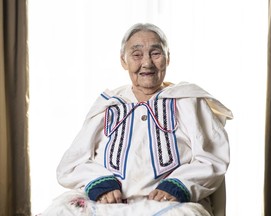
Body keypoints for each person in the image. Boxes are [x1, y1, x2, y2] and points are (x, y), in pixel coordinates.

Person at [41, 23, 233, 216]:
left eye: (155, 53)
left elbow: (212, 157)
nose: (147, 63)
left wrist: (177, 185)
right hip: (107, 205)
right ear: (123, 61)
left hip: (167, 204)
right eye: (137, 54)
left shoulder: (187, 101)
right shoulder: (108, 105)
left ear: (168, 59)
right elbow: (71, 163)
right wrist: (101, 183)